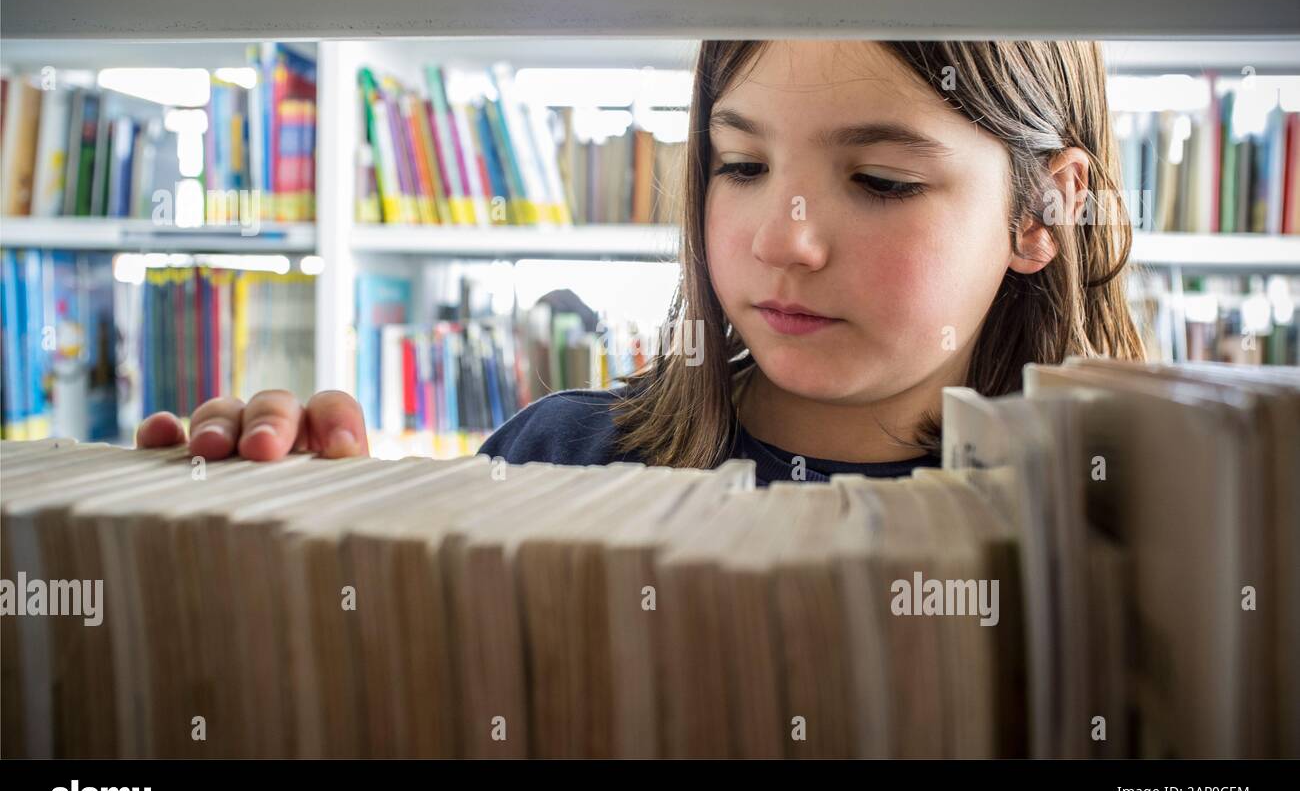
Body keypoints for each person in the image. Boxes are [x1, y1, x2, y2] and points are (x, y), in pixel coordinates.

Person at [136, 39, 1145, 486]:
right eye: (738, 164)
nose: (778, 239)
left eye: (880, 179)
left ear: (1039, 207)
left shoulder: (1128, 516)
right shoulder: (557, 459)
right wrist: (316, 552)